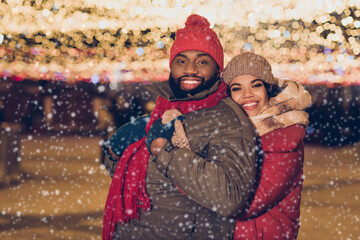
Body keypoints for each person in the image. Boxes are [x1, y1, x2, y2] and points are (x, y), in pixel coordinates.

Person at [102, 14, 258, 240]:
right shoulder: (163, 110)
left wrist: (165, 153)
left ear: (218, 69)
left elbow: (230, 197)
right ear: (171, 66)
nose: (191, 69)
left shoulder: (226, 118)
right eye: (182, 61)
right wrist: (115, 155)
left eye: (202, 61)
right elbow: (144, 184)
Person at [221, 52, 311, 239]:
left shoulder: (285, 136)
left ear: (268, 89)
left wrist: (181, 169)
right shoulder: (229, 132)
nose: (247, 94)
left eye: (256, 85)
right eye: (237, 88)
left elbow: (245, 204)